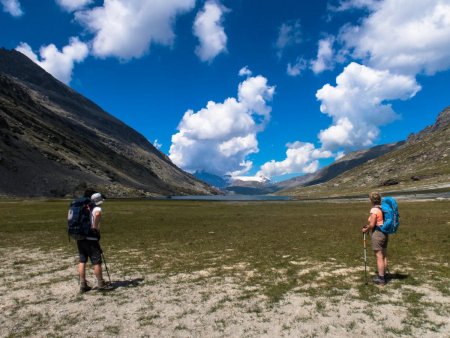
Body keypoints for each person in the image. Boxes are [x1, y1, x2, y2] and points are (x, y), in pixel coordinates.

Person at [77, 189, 111, 292]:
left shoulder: (83, 207)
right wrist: (95, 228)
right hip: (91, 238)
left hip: (80, 237)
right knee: (96, 261)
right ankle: (101, 283)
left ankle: (83, 284)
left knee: (82, 260)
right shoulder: (96, 208)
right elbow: (97, 215)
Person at [362, 192, 388, 286]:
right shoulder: (383, 208)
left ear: (371, 200)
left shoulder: (374, 210)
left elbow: (372, 224)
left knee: (379, 256)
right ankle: (383, 275)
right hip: (385, 233)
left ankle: (381, 279)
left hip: (377, 234)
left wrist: (366, 229)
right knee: (384, 255)